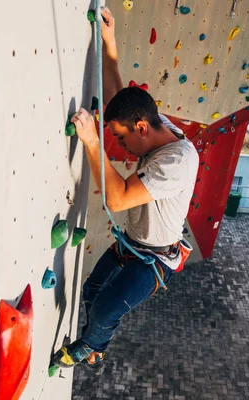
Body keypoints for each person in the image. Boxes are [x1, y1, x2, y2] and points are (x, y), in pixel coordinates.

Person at [52, 6, 199, 374]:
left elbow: (116, 199)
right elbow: (119, 95)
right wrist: (109, 42)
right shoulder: (154, 124)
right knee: (90, 294)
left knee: (104, 309)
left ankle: (90, 347)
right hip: (132, 244)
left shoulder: (175, 162)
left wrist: (90, 141)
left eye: (120, 138)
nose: (120, 145)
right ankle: (97, 343)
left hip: (155, 261)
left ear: (141, 128)